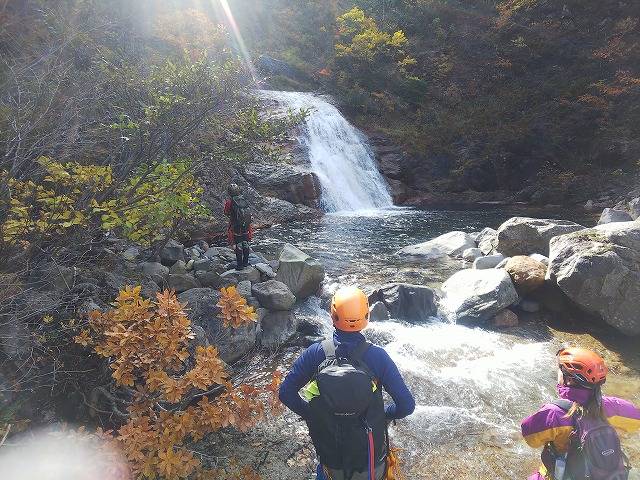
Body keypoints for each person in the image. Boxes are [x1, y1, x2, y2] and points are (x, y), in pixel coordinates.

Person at [279, 286, 415, 480]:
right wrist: (385, 414)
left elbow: (286, 393)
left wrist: (312, 414)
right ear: (366, 316)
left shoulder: (315, 353)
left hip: (331, 460)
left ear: (333, 314)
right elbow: (407, 406)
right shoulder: (378, 357)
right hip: (369, 463)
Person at [521, 347, 640, 480]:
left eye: (560, 369)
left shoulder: (553, 413)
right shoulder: (613, 406)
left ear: (569, 380)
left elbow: (529, 438)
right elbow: (637, 420)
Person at [223, 183, 253, 271]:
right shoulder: (244, 199)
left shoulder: (230, 202)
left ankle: (240, 265)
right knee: (246, 243)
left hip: (236, 226)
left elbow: (226, 213)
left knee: (238, 245)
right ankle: (246, 263)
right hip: (246, 226)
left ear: (229, 193)